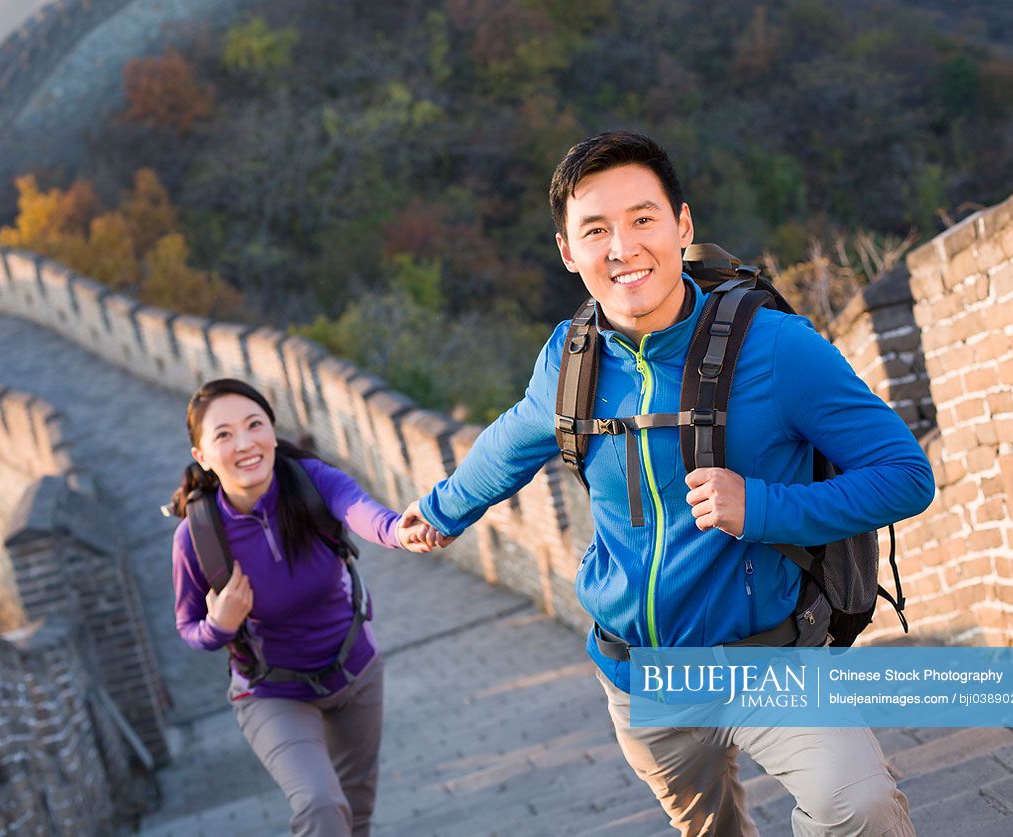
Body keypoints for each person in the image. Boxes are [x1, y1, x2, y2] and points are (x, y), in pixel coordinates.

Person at [401, 131, 935, 836]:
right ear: (567, 251)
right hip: (639, 680)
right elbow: (507, 442)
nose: (622, 247)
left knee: (857, 806)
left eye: (642, 219)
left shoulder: (777, 348)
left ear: (681, 226)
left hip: (770, 660)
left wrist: (763, 507)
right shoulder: (570, 360)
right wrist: (441, 510)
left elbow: (904, 476)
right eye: (595, 230)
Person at [169, 378, 432, 837]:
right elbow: (188, 628)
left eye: (255, 425)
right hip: (272, 692)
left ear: (272, 431)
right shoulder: (197, 538)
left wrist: (399, 531)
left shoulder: (311, 481)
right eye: (224, 434)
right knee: (320, 806)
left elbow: (361, 510)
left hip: (356, 671)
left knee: (356, 815)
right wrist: (219, 626)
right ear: (203, 456)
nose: (245, 443)